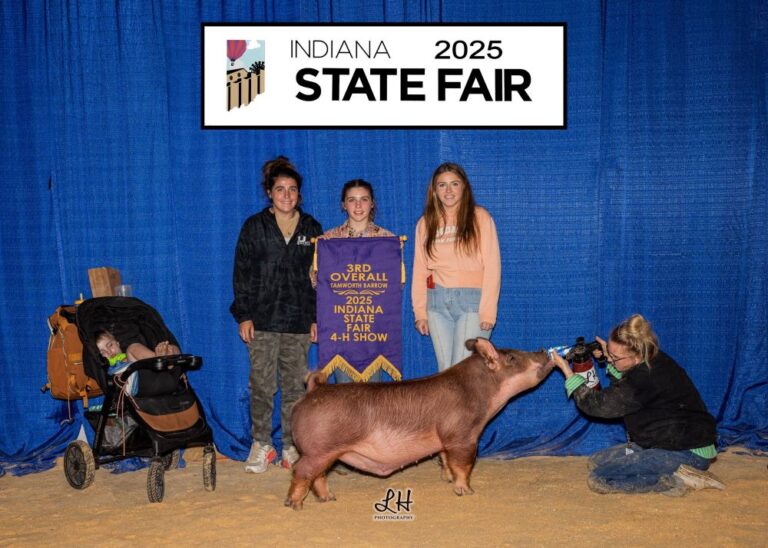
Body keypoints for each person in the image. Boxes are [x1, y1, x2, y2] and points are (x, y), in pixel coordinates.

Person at [550, 314, 725, 496]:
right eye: (609, 352)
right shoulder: (651, 357)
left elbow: (597, 405)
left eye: (615, 357)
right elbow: (628, 389)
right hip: (661, 440)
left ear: (636, 356)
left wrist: (568, 373)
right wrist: (612, 358)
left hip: (688, 450)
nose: (609, 359)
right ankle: (666, 468)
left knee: (600, 478)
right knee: (597, 461)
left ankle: (678, 480)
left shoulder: (642, 379)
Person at [230, 156, 322, 474]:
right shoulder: (254, 227)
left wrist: (316, 318)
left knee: (296, 388)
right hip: (262, 321)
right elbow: (241, 274)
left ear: (299, 194)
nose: (286, 195)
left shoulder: (312, 228)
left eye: (292, 189)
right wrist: (244, 315)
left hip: (299, 321)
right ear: (269, 192)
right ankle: (261, 444)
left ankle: (291, 446)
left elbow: (322, 277)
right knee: (262, 385)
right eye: (280, 189)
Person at [411, 162, 501, 372]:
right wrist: (420, 312)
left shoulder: (480, 217)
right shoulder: (425, 223)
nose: (448, 191)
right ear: (434, 190)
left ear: (464, 187)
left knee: (462, 371)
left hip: (471, 304)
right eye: (442, 185)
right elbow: (420, 270)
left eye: (454, 184)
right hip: (437, 304)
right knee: (446, 373)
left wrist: (488, 311)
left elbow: (492, 266)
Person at [320, 179, 395, 384]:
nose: (358, 205)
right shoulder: (328, 240)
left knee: (372, 392)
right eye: (352, 200)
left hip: (372, 325)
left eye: (364, 199)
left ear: (372, 203)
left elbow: (393, 285)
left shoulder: (387, 240)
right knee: (345, 392)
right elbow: (318, 282)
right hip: (341, 326)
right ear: (343, 204)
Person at [94, 329, 178, 395]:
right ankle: (161, 360)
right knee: (132, 348)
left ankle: (169, 359)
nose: (109, 352)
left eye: (110, 345)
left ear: (117, 343)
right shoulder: (111, 368)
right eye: (103, 352)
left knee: (173, 347)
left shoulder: (128, 355)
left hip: (161, 377)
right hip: (136, 382)